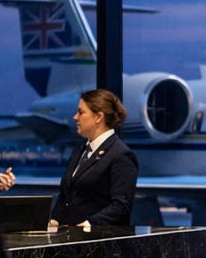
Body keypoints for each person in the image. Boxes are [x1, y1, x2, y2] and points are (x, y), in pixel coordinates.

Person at [49, 88, 139, 228]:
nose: (75, 117)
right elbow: (68, 193)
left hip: (100, 243)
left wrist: (89, 224)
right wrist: (55, 220)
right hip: (71, 241)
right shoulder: (80, 149)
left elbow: (122, 205)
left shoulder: (120, 155)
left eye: (80, 112)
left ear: (98, 117)